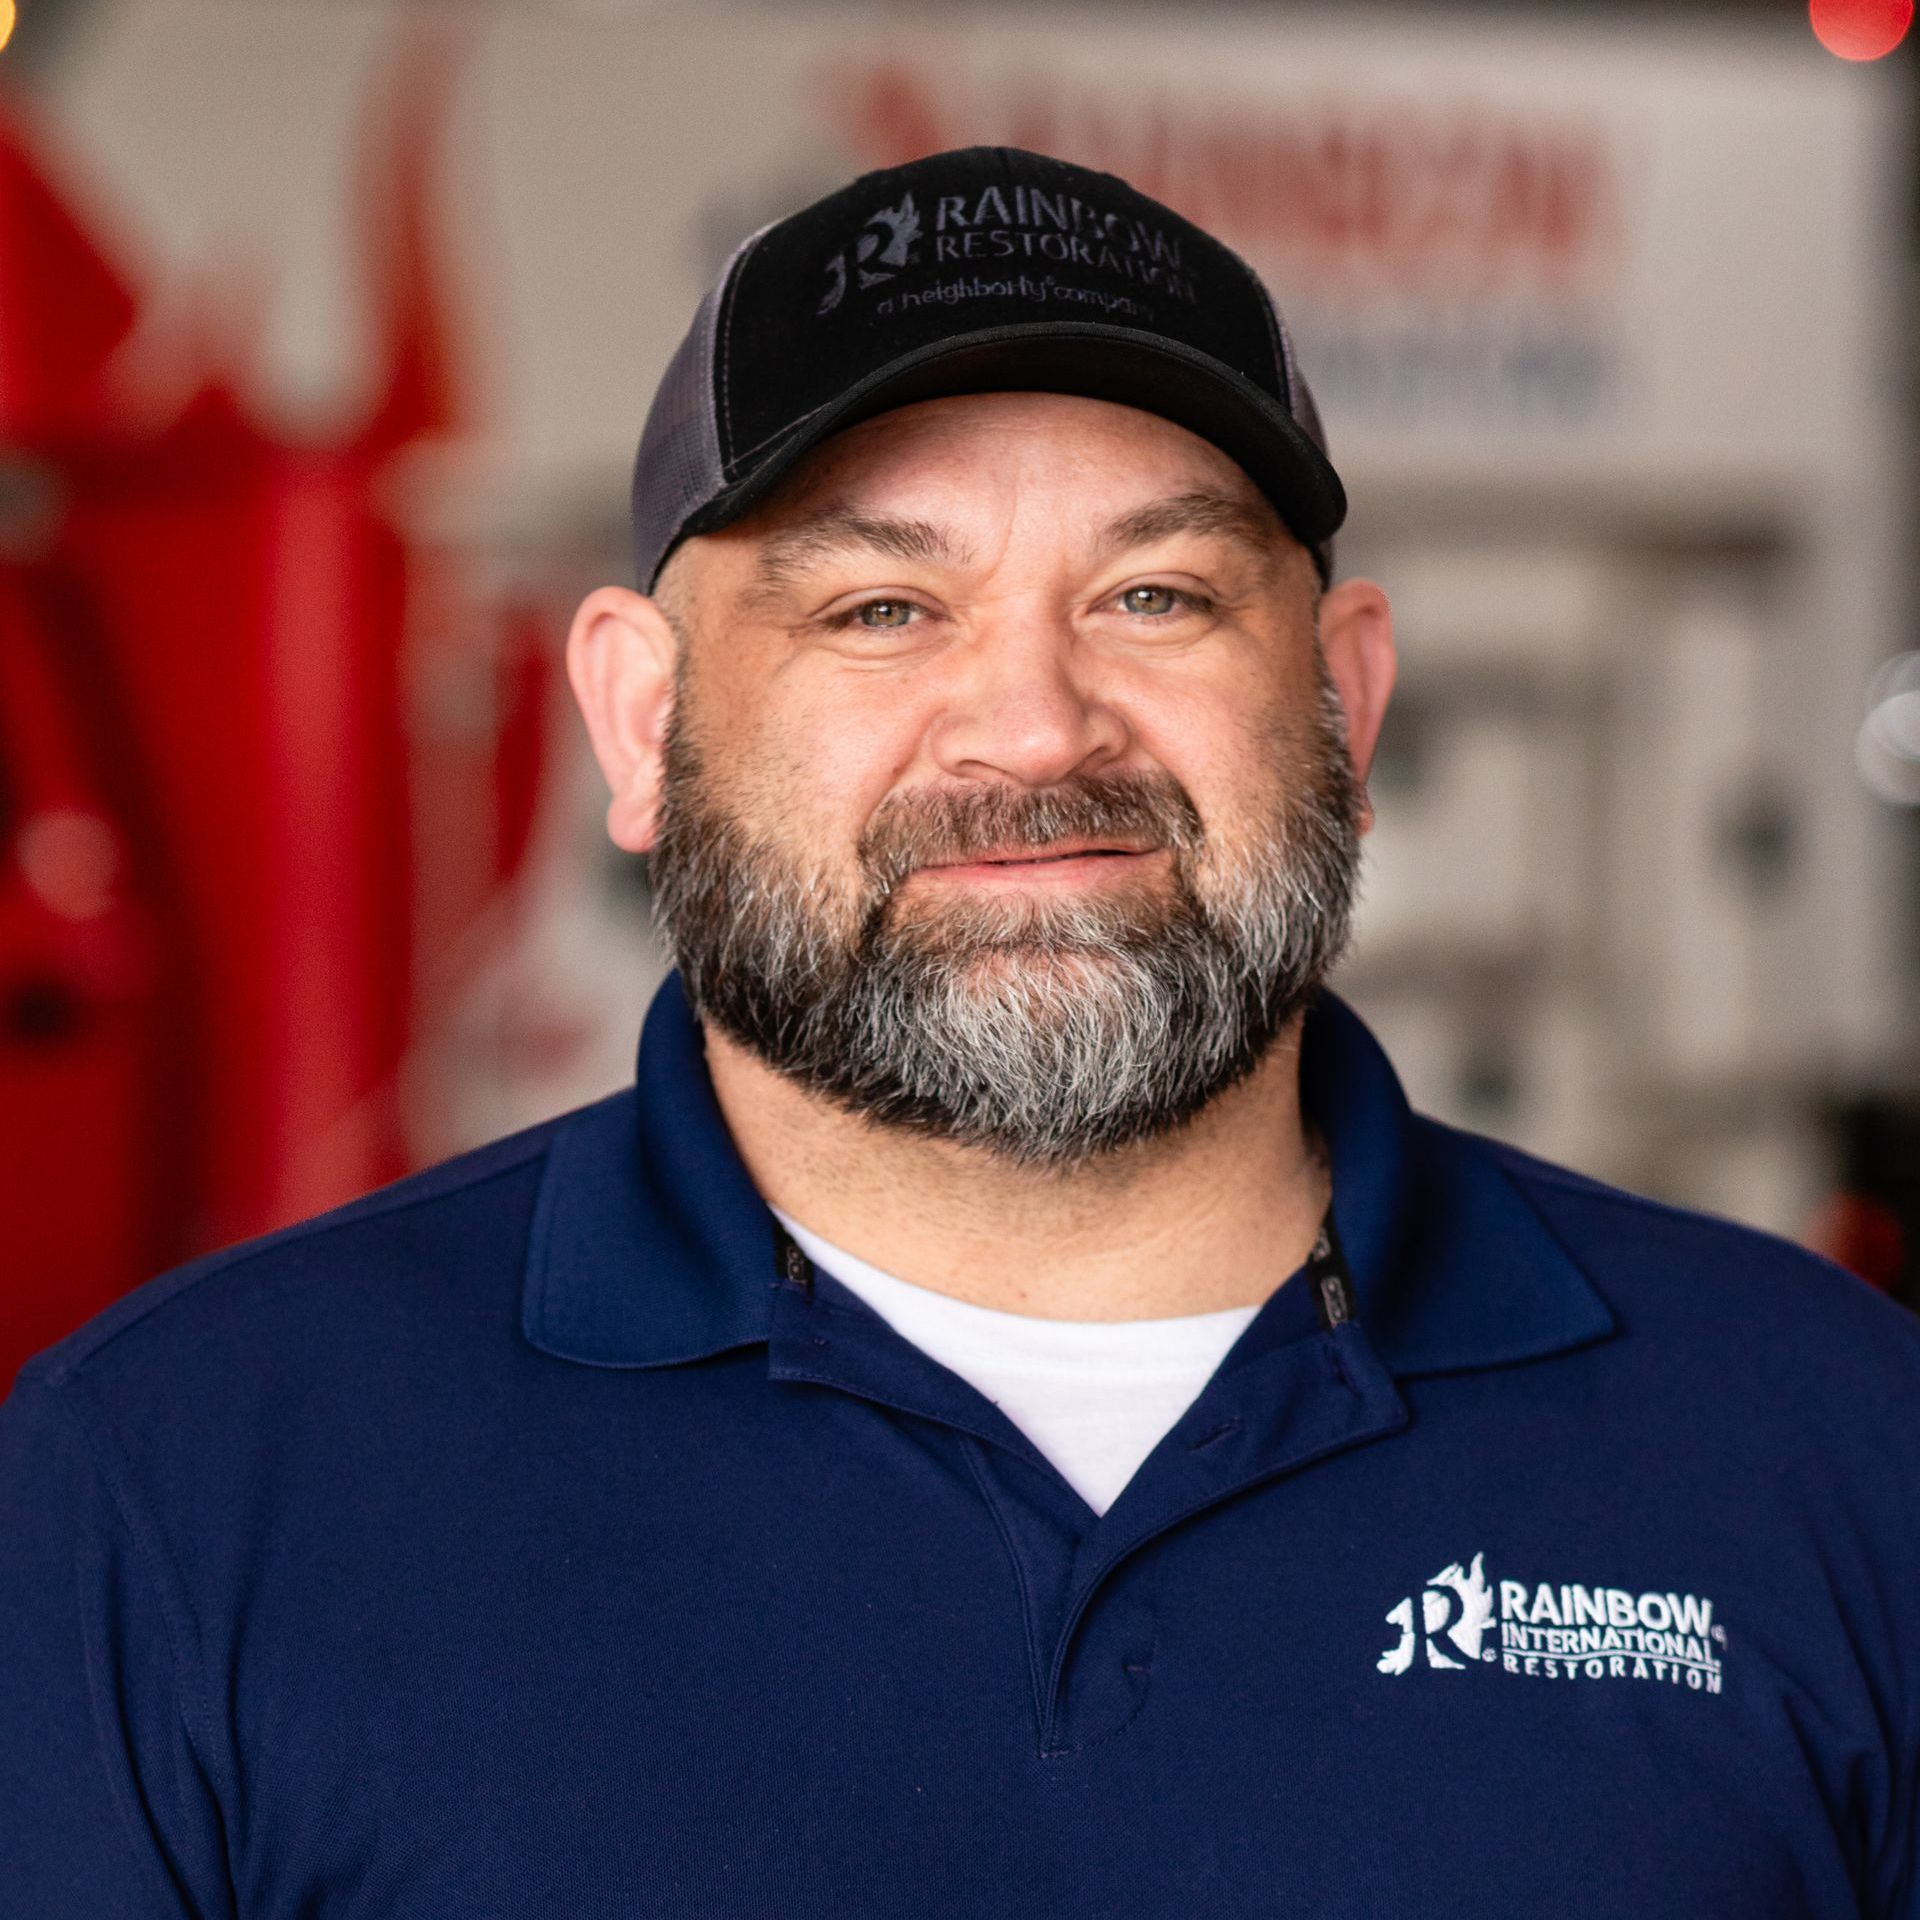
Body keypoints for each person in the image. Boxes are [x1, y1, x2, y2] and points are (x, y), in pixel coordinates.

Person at [4, 145, 1918, 1920]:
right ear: (633, 721)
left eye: (1155, 593)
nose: (1033, 725)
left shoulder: (1839, 1442)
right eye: (881, 608)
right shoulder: (173, 1491)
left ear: (1346, 702)